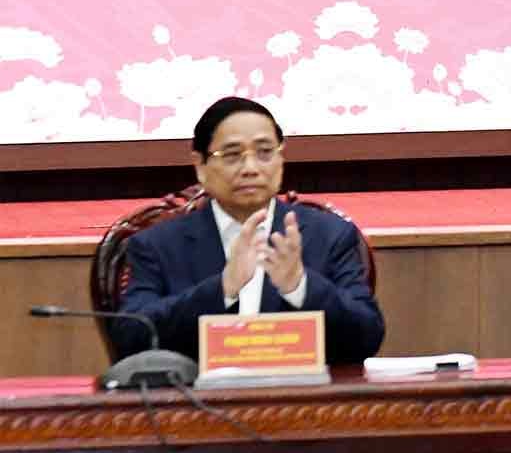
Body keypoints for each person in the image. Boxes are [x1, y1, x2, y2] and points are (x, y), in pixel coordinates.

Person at [111, 96, 386, 365]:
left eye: (265, 152)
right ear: (200, 165)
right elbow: (131, 337)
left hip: (302, 393)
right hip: (197, 394)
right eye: (232, 155)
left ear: (281, 159)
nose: (250, 168)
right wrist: (222, 288)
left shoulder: (330, 235)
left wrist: (300, 286)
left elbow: (368, 336)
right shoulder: (157, 245)